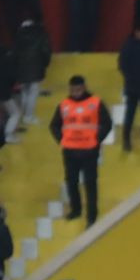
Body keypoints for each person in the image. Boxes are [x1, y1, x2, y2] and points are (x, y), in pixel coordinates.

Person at [50, 75, 113, 226]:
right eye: (73, 89)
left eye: (78, 89)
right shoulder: (64, 105)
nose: (75, 92)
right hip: (70, 150)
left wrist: (97, 139)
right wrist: (61, 139)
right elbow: (54, 125)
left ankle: (92, 214)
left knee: (90, 183)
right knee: (71, 182)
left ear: (84, 88)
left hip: (89, 150)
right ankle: (76, 210)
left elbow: (107, 123)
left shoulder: (95, 102)